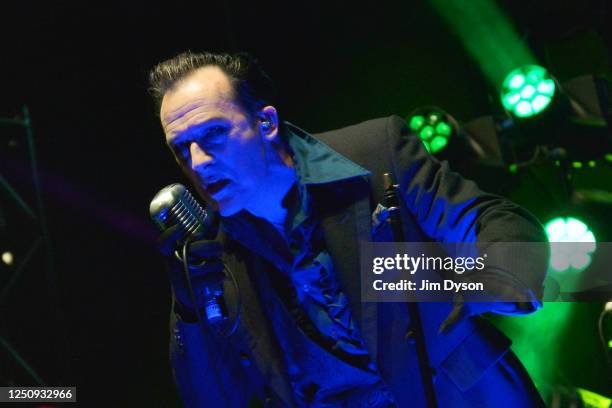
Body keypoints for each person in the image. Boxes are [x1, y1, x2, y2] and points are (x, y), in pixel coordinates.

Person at [148, 51, 548, 407]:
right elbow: (207, 396)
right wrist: (191, 311)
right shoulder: (211, 253)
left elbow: (494, 223)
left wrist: (474, 285)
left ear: (266, 122)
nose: (197, 162)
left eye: (213, 134)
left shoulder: (376, 153)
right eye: (180, 147)